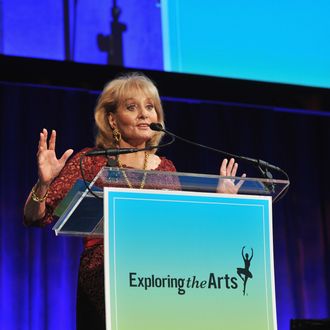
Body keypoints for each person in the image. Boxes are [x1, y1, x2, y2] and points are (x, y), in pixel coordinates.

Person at [23, 72, 243, 329]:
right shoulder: (91, 161)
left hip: (157, 283)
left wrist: (220, 205)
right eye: (132, 107)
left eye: (150, 107)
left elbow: (184, 233)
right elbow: (35, 217)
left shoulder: (167, 169)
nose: (144, 114)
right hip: (103, 284)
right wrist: (44, 183)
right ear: (112, 120)